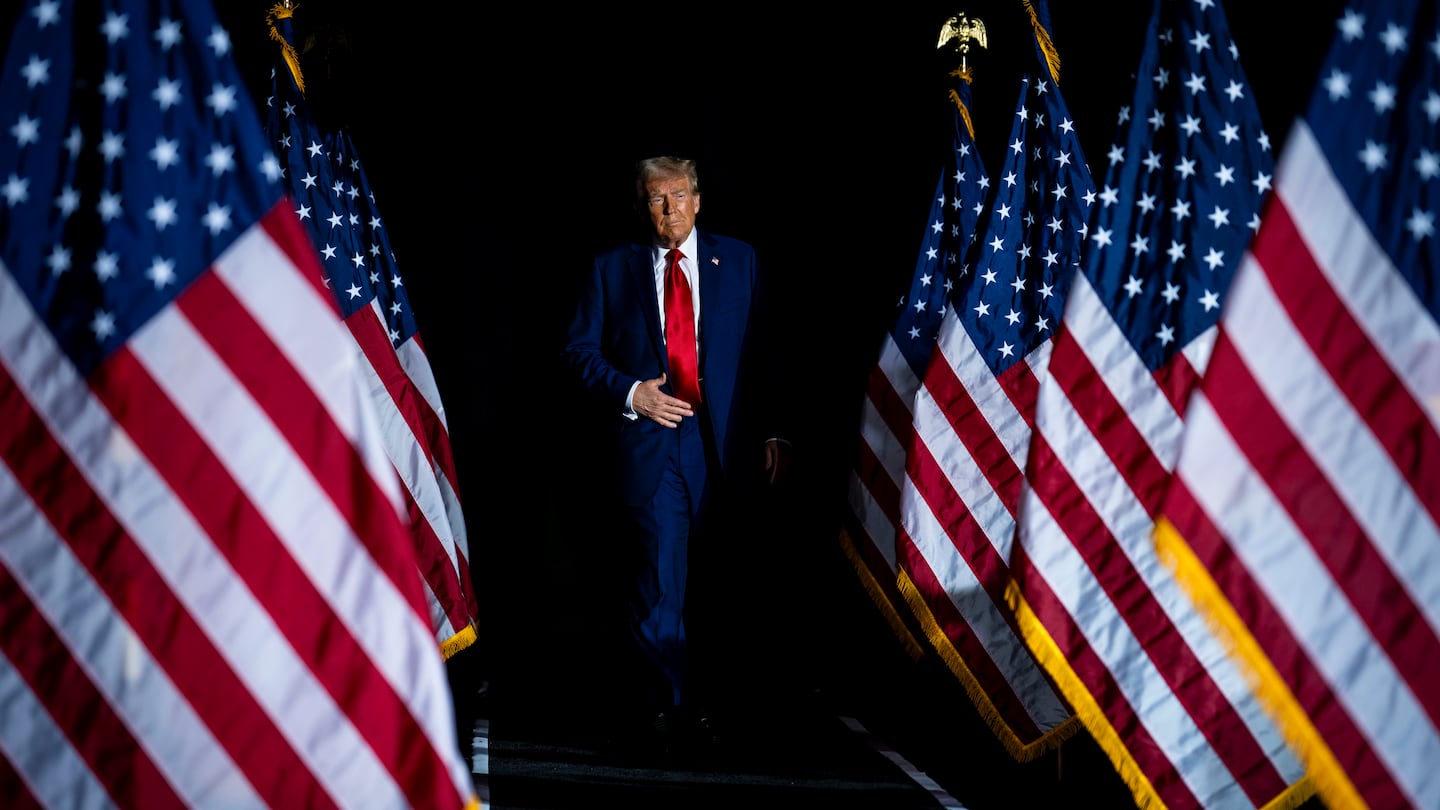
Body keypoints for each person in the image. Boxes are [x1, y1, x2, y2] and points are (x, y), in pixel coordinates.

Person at [562, 155, 792, 759]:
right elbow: (579, 352)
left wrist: (773, 430)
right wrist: (631, 392)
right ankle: (664, 706)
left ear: (698, 200)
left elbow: (763, 348)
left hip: (726, 445)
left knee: (721, 580)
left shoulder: (739, 260)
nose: (670, 209)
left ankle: (715, 705)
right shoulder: (611, 269)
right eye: (657, 199)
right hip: (654, 444)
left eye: (680, 195)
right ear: (641, 207)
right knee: (660, 581)